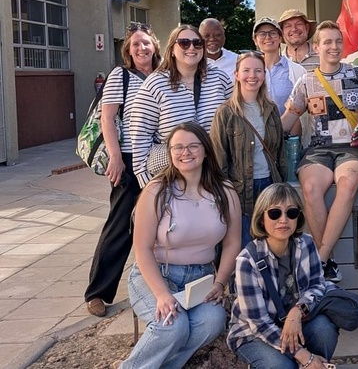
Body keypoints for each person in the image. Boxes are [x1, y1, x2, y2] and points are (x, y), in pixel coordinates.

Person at [121, 122, 241, 369]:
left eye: (193, 146)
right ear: (170, 153)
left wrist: (220, 282)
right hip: (157, 275)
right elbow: (142, 248)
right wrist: (162, 294)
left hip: (201, 280)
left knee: (212, 322)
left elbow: (232, 243)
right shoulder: (156, 191)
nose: (185, 152)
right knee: (173, 325)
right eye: (178, 147)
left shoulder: (225, 191)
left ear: (206, 150)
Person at [281, 20, 358, 282]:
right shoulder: (306, 81)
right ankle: (329, 261)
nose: (334, 47)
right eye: (328, 42)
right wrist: (262, 134)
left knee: (346, 184)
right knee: (310, 189)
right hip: (319, 149)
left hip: (352, 148)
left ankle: (319, 260)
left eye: (338, 41)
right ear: (316, 47)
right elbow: (288, 119)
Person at [85, 24, 161, 317]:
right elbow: (107, 118)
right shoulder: (121, 76)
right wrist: (115, 158)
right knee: (120, 226)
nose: (142, 48)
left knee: (159, 225)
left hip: (158, 159)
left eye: (146, 43)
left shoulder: (163, 76)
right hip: (128, 160)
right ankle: (97, 293)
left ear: (155, 46)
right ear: (128, 51)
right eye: (136, 45)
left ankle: (156, 287)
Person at [227, 183, 339, 369]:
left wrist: (297, 311)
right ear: (262, 218)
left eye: (291, 213)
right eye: (274, 213)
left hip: (296, 322)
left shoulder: (306, 244)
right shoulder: (247, 261)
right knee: (283, 366)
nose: (283, 220)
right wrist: (304, 356)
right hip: (253, 333)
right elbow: (259, 324)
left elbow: (318, 285)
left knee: (324, 330)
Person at [130, 25, 233, 187]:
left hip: (214, 174)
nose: (191, 47)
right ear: (171, 49)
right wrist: (148, 186)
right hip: (172, 178)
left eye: (197, 43)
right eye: (184, 43)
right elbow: (140, 137)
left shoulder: (219, 78)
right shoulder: (155, 84)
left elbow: (235, 117)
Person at [211, 51, 287, 248]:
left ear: (264, 75)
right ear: (236, 75)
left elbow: (279, 153)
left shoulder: (271, 109)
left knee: (271, 246)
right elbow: (219, 160)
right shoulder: (226, 112)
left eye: (258, 71)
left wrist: (282, 185)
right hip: (240, 189)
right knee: (244, 248)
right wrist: (226, 194)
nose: (252, 76)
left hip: (270, 186)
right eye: (246, 70)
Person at [252, 16, 307, 141]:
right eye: (262, 34)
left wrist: (293, 140)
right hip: (258, 138)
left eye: (273, 33)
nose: (268, 37)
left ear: (280, 37)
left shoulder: (298, 71)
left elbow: (303, 111)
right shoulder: (250, 72)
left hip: (290, 138)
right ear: (255, 40)